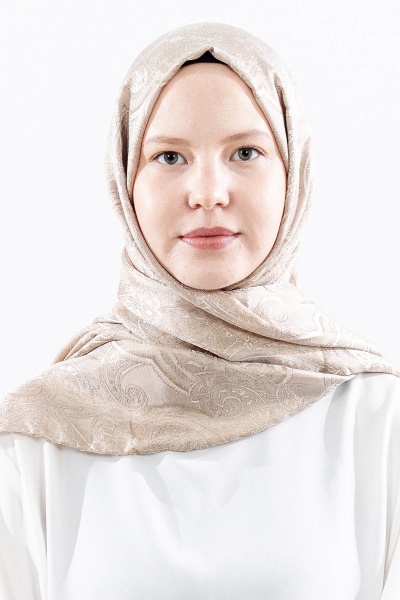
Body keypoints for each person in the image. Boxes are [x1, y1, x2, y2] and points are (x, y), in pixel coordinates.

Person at [0, 21, 399, 600]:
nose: (208, 192)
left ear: (293, 173)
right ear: (125, 180)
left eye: (245, 152)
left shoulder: (375, 417)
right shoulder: (43, 434)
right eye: (169, 156)